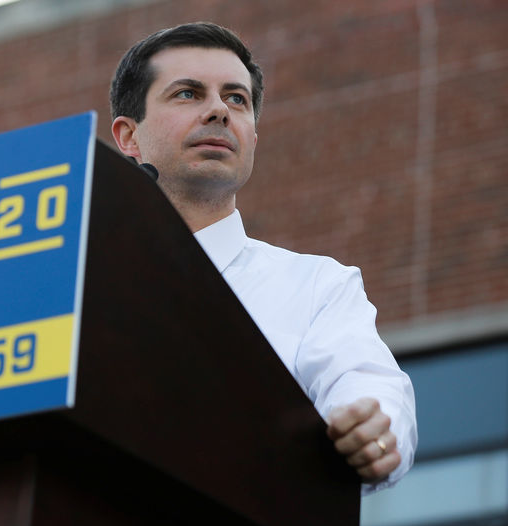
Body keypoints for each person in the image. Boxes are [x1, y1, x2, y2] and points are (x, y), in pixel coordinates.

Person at [109, 21, 417, 494]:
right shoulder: (85, 278)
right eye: (188, 94)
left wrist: (371, 429)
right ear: (128, 136)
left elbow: (367, 385)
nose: (218, 111)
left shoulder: (317, 286)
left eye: (237, 99)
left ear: (253, 137)